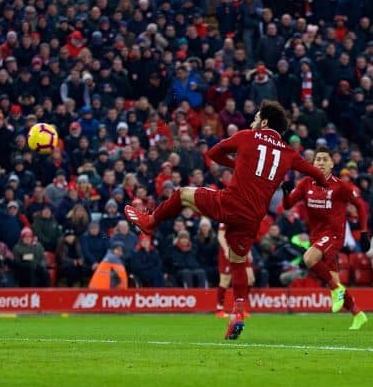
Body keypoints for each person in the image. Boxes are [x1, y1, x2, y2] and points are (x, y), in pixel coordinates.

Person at [124, 100, 328, 339]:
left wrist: (237, 165)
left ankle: (150, 223)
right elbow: (317, 175)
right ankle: (238, 313)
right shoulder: (289, 153)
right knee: (238, 260)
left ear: (263, 122)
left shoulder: (247, 136)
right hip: (252, 218)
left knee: (182, 194)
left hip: (231, 202)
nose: (253, 122)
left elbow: (213, 153)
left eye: (256, 118)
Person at [282, 146, 369, 330]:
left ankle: (337, 291)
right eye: (317, 159)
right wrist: (285, 192)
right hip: (317, 236)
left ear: (332, 163)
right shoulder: (306, 183)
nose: (320, 163)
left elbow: (361, 206)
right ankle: (358, 314)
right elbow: (288, 204)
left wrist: (363, 232)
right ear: (313, 163)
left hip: (334, 235)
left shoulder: (341, 186)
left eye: (324, 159)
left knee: (308, 258)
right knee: (335, 281)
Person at [215, 223, 255, 318]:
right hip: (229, 250)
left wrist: (249, 252)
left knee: (250, 279)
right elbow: (221, 236)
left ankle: (240, 308)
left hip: (241, 250)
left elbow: (245, 237)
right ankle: (219, 309)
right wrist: (225, 250)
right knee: (225, 280)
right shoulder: (225, 218)